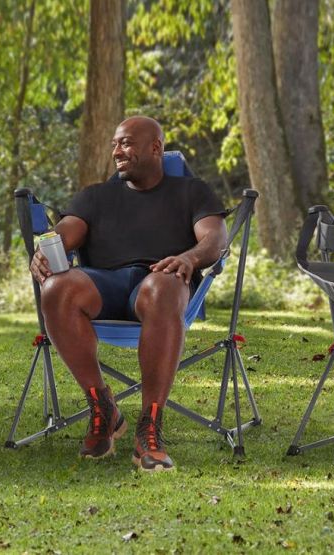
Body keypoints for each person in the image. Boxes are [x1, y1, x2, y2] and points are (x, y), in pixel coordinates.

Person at [30, 116, 228, 471]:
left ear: (156, 147)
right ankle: (102, 408)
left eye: (126, 143)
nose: (117, 151)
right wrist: (46, 251)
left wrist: (188, 257)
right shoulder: (95, 196)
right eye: (115, 144)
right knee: (57, 287)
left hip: (160, 286)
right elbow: (65, 233)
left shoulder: (191, 192)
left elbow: (214, 238)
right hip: (104, 284)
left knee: (163, 285)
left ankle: (149, 426)